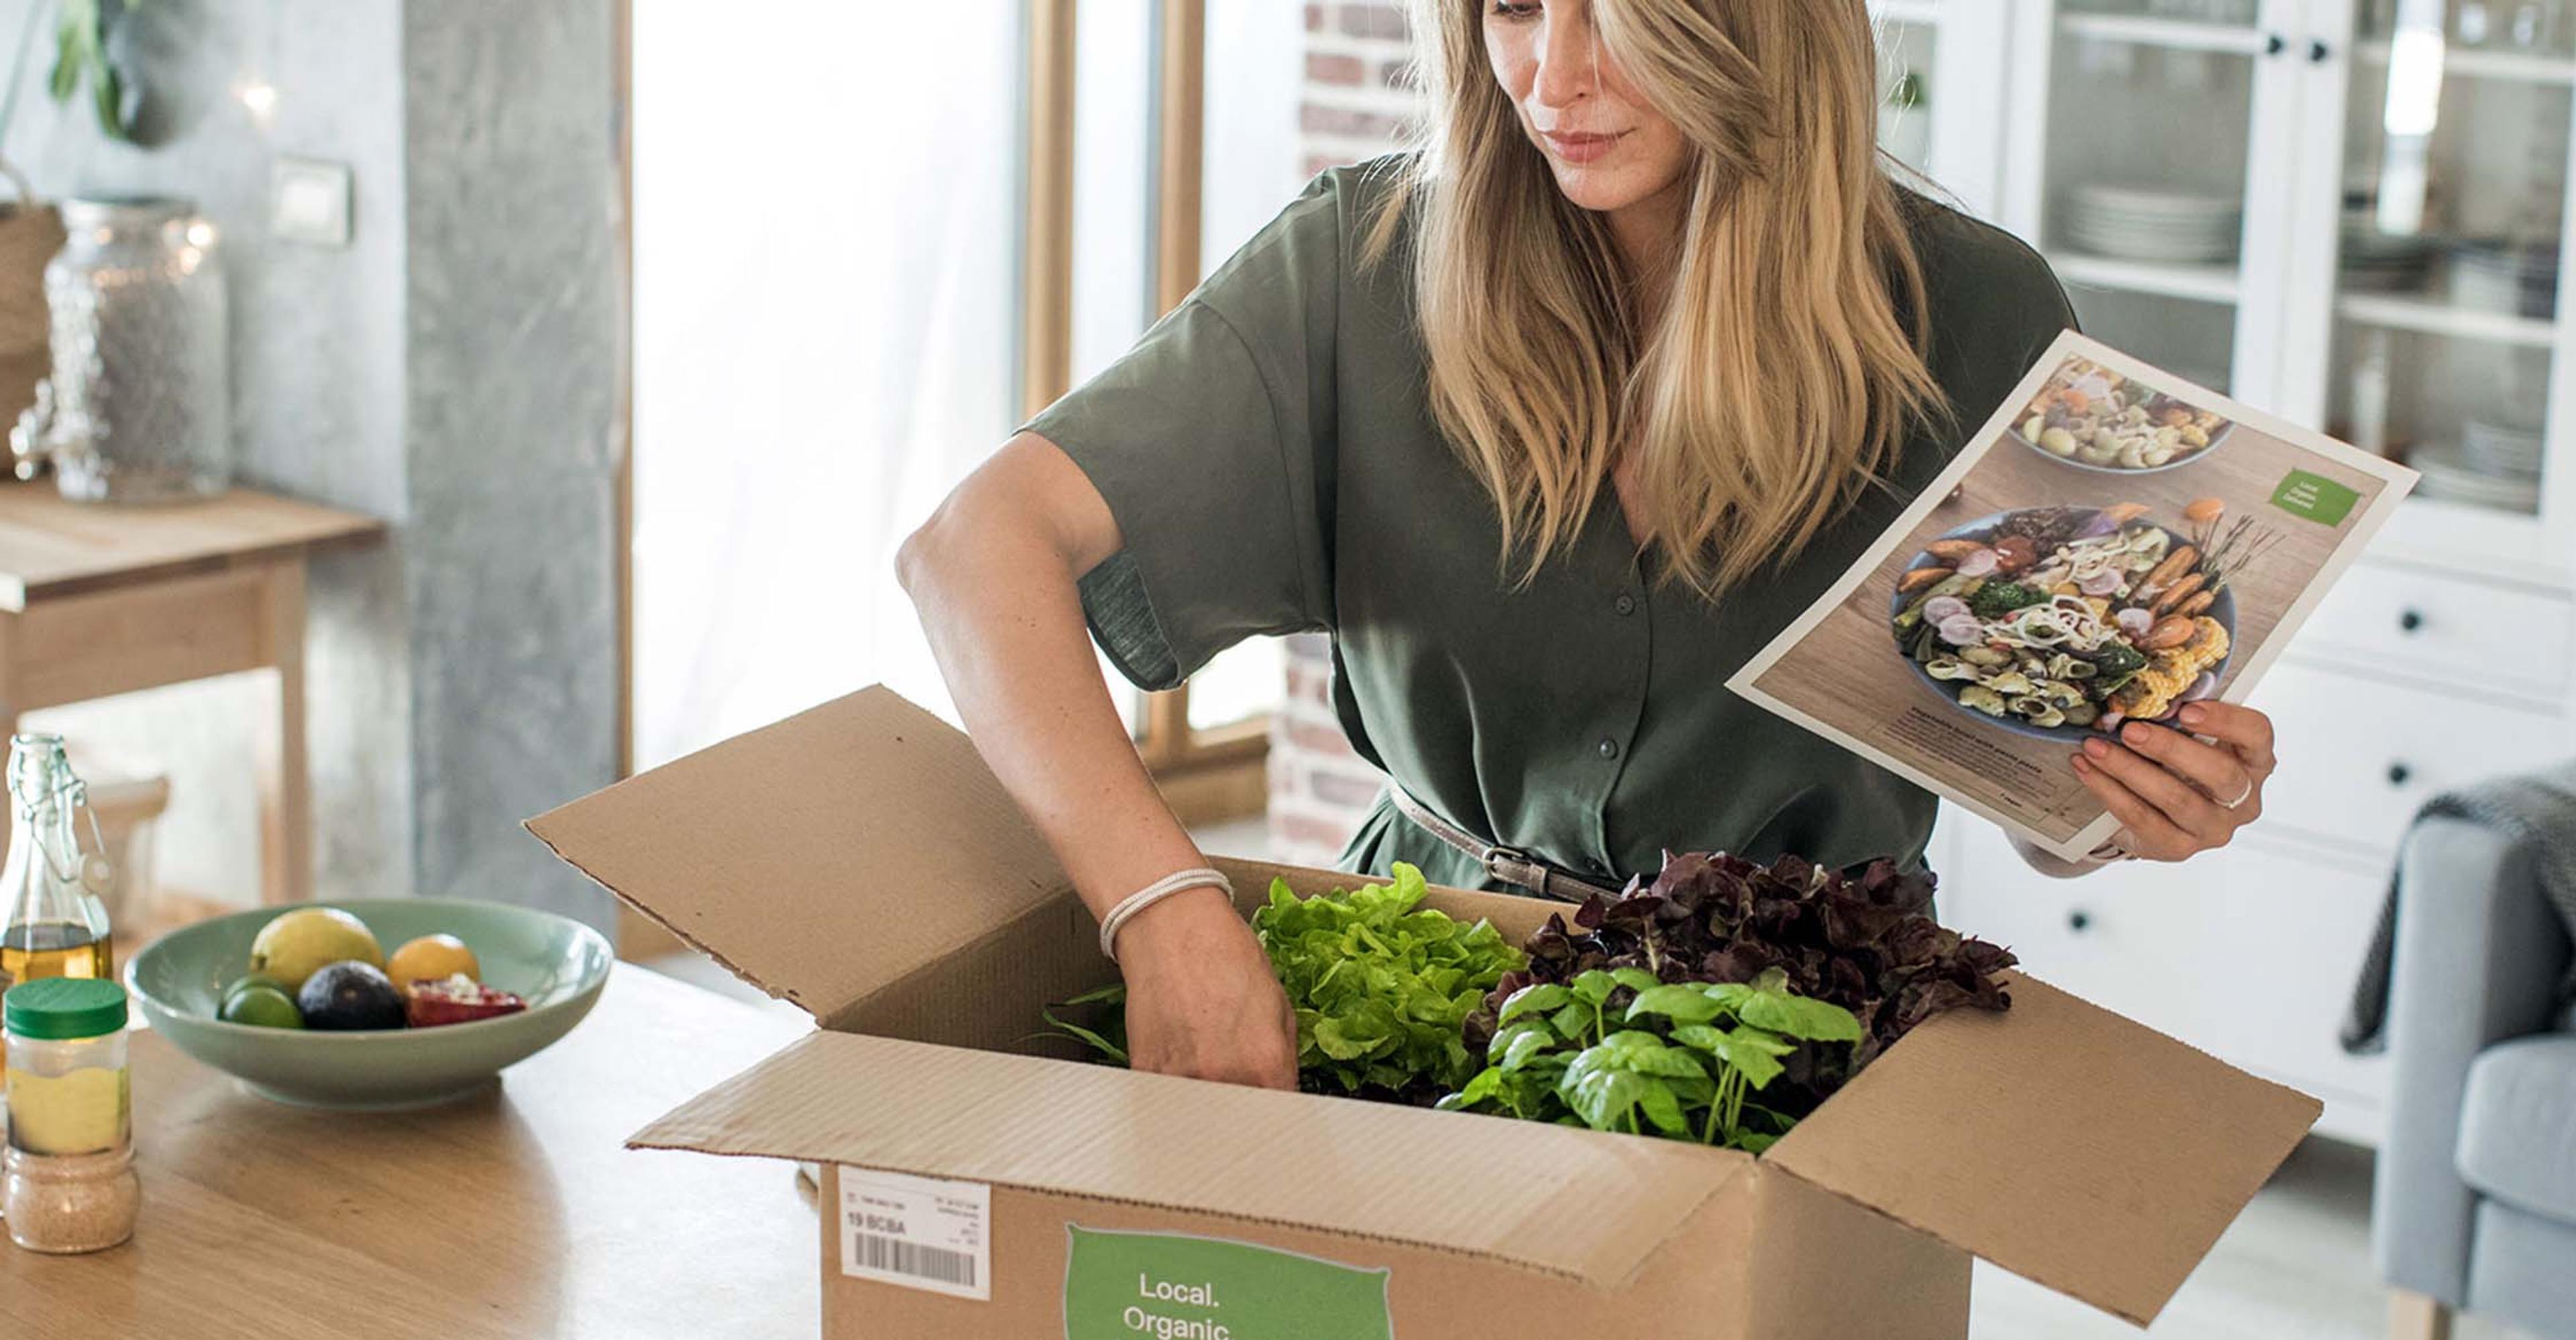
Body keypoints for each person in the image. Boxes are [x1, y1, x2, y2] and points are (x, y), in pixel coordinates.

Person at [898, 0, 2278, 1091]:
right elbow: (974, 548)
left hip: (1807, 1046)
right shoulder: (1361, 263)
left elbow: (2036, 769)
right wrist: (1161, 902)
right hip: (1419, 1005)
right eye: (1511, 5)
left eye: (1623, 10)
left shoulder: (1974, 309)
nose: (1551, 77)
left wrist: (2123, 806)